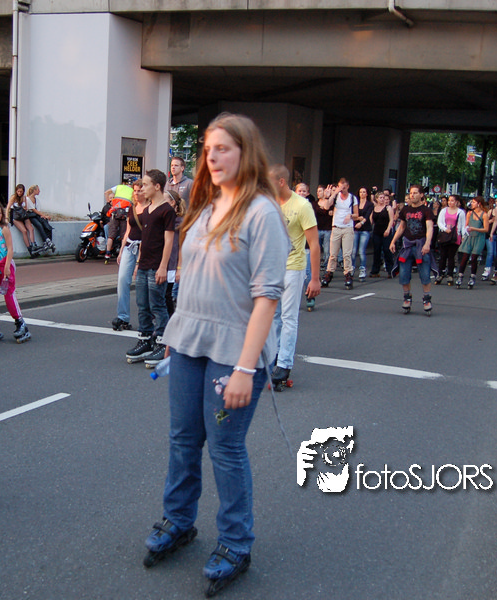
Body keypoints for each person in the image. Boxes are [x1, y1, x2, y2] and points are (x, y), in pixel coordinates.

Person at [143, 113, 288, 596]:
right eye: (208, 149)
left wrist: (246, 368)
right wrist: (176, 333)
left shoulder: (262, 213)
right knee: (183, 439)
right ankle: (179, 520)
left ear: (246, 152)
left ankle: (236, 543)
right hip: (190, 343)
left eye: (223, 148)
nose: (212, 157)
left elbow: (267, 298)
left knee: (225, 448)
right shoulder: (205, 208)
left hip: (235, 352)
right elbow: (192, 278)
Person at [268, 164, 320, 390]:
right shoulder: (269, 203)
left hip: (293, 267)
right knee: (273, 317)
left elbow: (314, 244)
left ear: (281, 182)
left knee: (288, 317)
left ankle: (284, 364)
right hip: (271, 268)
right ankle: (274, 356)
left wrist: (315, 278)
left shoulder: (302, 206)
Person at [125, 169, 175, 366]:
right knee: (142, 304)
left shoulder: (166, 211)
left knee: (157, 304)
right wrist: (138, 263)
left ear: (157, 186)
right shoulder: (146, 211)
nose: (142, 188)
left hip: (157, 266)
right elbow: (144, 240)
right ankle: (146, 340)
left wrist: (163, 267)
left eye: (145, 185)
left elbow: (169, 241)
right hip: (144, 264)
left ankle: (162, 343)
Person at [0, 200, 31, 343]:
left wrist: (7, 267)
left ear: (2, 215)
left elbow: (10, 248)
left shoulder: (4, 229)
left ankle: (20, 323)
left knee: (8, 295)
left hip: (4, 266)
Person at [389, 184, 436, 314]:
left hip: (421, 245)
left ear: (421, 195)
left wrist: (427, 244)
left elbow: (430, 228)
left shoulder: (426, 210)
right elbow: (402, 227)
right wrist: (393, 241)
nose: (412, 195)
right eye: (411, 193)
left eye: (415, 193)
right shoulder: (406, 210)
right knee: (404, 273)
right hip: (407, 245)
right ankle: (407, 298)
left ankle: (427, 299)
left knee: (425, 274)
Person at [111, 180, 148, 331]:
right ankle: (123, 317)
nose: (137, 193)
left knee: (142, 284)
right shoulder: (132, 208)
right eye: (135, 190)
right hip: (129, 246)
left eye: (140, 190)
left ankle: (147, 319)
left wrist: (139, 261)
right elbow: (127, 230)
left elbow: (148, 234)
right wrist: (121, 250)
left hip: (143, 247)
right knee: (122, 281)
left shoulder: (150, 209)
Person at [321, 177, 358, 289]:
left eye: (344, 188)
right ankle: (329, 273)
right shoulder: (336, 197)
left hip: (347, 228)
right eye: (341, 187)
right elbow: (326, 207)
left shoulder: (352, 198)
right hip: (336, 227)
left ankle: (348, 274)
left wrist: (350, 216)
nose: (342, 190)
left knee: (347, 254)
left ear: (348, 187)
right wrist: (333, 194)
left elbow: (357, 215)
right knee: (333, 254)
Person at [455, 197, 489, 289]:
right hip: (469, 237)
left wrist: (474, 228)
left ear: (479, 203)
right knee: (465, 257)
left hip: (479, 238)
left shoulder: (484, 215)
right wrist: (464, 233)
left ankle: (472, 277)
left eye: (474, 202)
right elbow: (466, 225)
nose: (472, 204)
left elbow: (486, 229)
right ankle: (460, 276)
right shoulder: (469, 213)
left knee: (474, 258)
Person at [435, 195, 465, 286]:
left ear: (456, 202)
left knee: (451, 256)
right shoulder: (444, 211)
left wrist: (463, 235)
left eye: (452, 201)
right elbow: (439, 222)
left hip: (455, 236)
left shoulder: (461, 212)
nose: (450, 202)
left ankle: (450, 275)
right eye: (449, 200)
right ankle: (440, 273)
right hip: (445, 235)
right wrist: (445, 229)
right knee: (443, 255)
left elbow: (463, 225)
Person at [164, 190, 184, 316]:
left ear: (172, 203)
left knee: (168, 294)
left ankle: (171, 319)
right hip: (163, 262)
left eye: (164, 200)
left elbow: (182, 245)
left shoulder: (180, 222)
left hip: (173, 262)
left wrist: (179, 268)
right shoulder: (163, 219)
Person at [7, 183, 38, 255]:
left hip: (23, 215)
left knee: (31, 229)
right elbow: (8, 207)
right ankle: (29, 248)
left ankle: (33, 244)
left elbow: (26, 208)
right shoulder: (13, 197)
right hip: (16, 217)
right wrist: (6, 217)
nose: (19, 193)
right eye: (18, 191)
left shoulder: (24, 198)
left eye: (21, 191)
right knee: (24, 231)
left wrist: (24, 208)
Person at [369, 190, 395, 277]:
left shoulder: (388, 208)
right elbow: (371, 219)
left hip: (386, 231)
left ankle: (390, 270)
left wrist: (388, 229)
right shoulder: (374, 208)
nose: (382, 199)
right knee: (377, 251)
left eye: (383, 198)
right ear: (377, 199)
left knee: (387, 250)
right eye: (380, 198)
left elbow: (391, 219)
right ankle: (375, 271)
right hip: (377, 231)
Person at [104, 183, 132, 262]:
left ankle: (107, 253)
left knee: (111, 236)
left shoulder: (118, 187)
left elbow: (106, 192)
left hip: (115, 213)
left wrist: (109, 202)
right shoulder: (132, 190)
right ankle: (121, 253)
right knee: (124, 235)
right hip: (125, 215)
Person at [23, 185, 55, 252]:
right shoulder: (27, 199)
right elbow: (33, 210)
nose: (39, 191)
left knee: (45, 224)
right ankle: (47, 240)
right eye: (38, 190)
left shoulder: (37, 200)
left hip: (36, 215)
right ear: (34, 190)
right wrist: (44, 215)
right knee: (39, 225)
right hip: (31, 216)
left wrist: (43, 216)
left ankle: (47, 241)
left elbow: (38, 210)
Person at [351, 186, 373, 282]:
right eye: (361, 192)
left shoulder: (369, 204)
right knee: (353, 251)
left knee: (361, 251)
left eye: (364, 192)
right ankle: (351, 269)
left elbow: (367, 216)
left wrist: (361, 222)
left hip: (365, 229)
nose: (362, 194)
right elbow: (353, 214)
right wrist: (358, 219)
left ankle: (362, 270)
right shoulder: (355, 203)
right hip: (356, 229)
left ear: (367, 194)